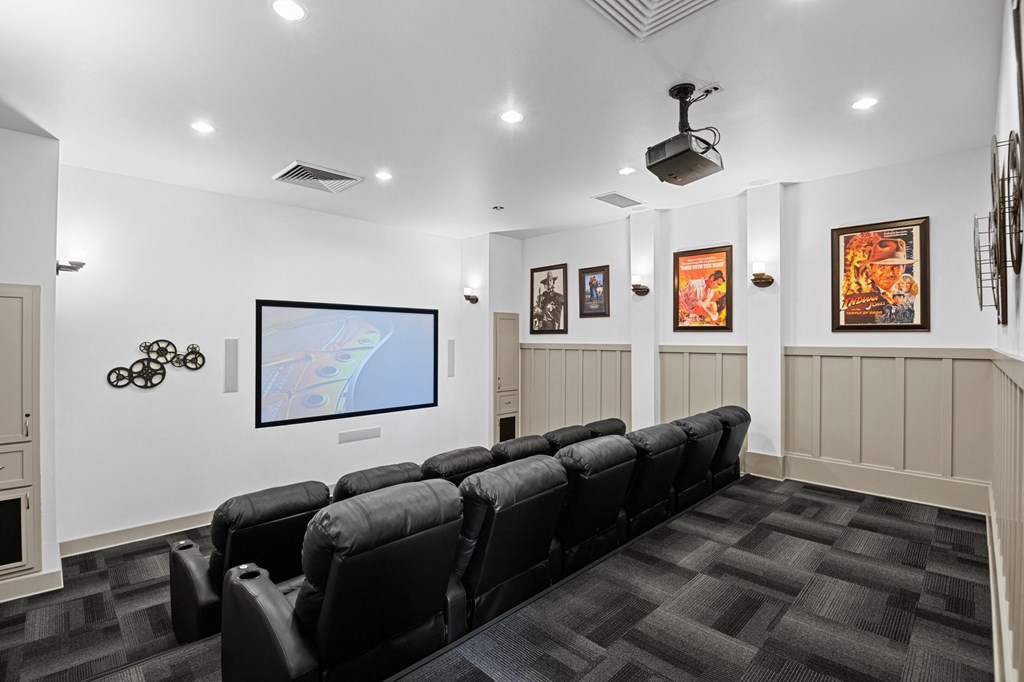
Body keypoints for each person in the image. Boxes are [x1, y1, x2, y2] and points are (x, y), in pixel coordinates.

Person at [842, 238, 919, 324]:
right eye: (881, 267)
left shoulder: (909, 296)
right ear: (870, 268)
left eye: (895, 266)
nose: (889, 273)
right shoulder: (857, 296)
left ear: (903, 268)